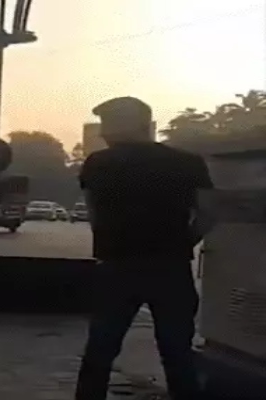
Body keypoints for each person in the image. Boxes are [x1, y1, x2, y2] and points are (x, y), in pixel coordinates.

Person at [75, 96, 216, 400]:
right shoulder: (187, 162)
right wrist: (182, 243)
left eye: (109, 123)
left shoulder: (98, 163)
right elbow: (209, 214)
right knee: (177, 351)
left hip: (117, 266)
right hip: (171, 268)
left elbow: (93, 215)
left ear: (133, 123)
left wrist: (111, 243)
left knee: (100, 351)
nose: (103, 132)